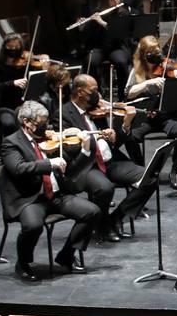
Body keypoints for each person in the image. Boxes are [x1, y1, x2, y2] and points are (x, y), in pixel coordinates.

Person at [0, 100, 100, 281]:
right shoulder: (11, 143)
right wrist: (48, 164)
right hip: (31, 198)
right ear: (26, 123)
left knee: (92, 212)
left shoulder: (49, 140)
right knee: (32, 226)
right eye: (41, 124)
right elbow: (18, 168)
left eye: (46, 123)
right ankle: (22, 263)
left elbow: (71, 169)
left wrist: (84, 149)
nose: (46, 128)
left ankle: (66, 256)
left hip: (57, 196)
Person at [59, 73, 156, 243]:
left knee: (149, 178)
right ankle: (102, 226)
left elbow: (119, 140)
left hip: (110, 160)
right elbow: (69, 147)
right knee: (104, 189)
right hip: (87, 165)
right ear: (80, 92)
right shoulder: (64, 114)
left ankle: (117, 218)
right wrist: (94, 138)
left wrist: (125, 125)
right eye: (94, 90)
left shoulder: (98, 109)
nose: (99, 94)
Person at [124, 35, 177, 172]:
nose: (158, 55)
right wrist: (147, 83)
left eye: (158, 50)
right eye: (153, 52)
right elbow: (128, 93)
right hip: (146, 118)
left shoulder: (167, 66)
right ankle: (139, 170)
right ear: (144, 54)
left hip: (167, 117)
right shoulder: (138, 71)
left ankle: (176, 167)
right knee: (129, 136)